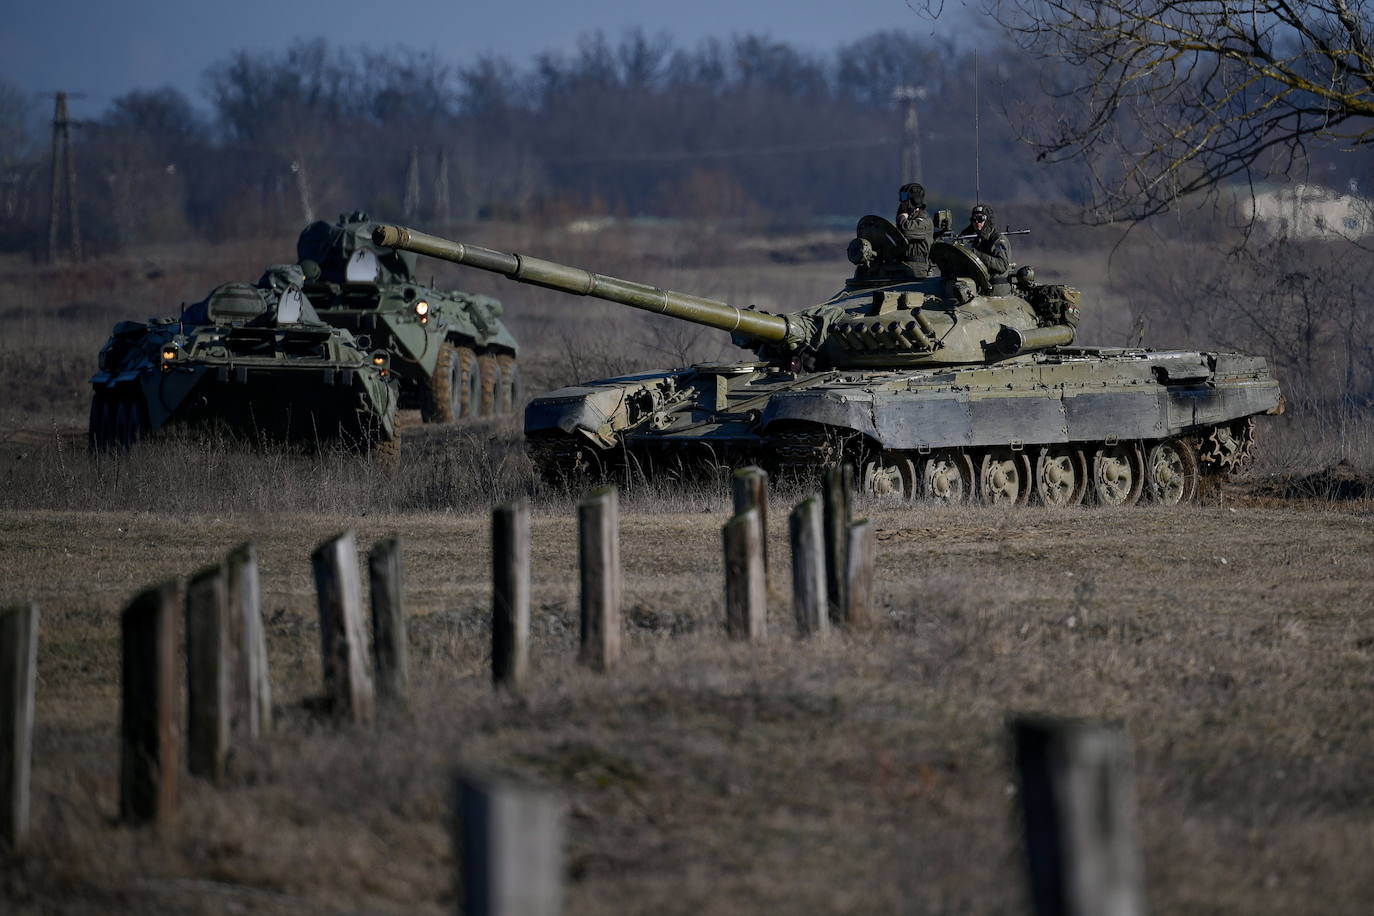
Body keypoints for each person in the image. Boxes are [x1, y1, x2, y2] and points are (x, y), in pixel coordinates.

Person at [958, 204, 1011, 287]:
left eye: (980, 219)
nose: (976, 222)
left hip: (996, 289)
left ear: (988, 220)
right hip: (979, 287)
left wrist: (976, 255)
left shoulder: (998, 240)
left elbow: (1002, 265)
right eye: (973, 219)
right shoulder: (975, 239)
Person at [895, 182, 933, 276]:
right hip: (902, 267)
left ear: (913, 199)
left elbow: (906, 230)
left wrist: (901, 217)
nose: (901, 201)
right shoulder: (908, 218)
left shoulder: (924, 221)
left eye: (904, 197)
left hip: (916, 270)